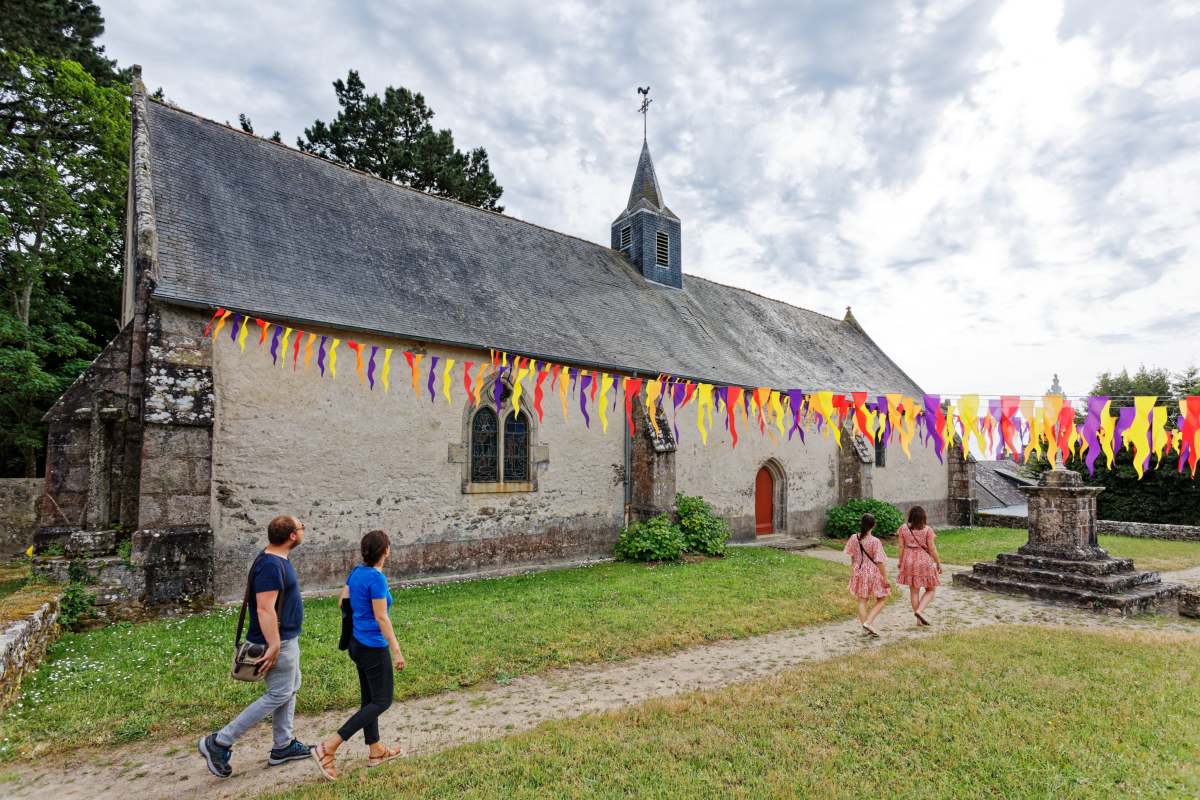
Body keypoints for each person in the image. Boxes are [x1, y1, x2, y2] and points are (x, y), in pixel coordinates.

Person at [199, 516, 313, 777]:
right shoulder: (271, 565)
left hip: (285, 639)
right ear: (292, 536)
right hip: (276, 642)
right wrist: (274, 645)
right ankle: (219, 742)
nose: (303, 529)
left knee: (289, 688)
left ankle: (283, 746)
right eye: (301, 526)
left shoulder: (275, 558)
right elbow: (264, 609)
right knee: (278, 694)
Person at [313, 530, 406, 780]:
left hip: (356, 644)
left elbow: (342, 601)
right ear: (386, 551)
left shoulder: (356, 572)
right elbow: (381, 617)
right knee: (382, 701)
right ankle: (328, 747)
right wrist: (396, 650)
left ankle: (376, 750)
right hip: (373, 648)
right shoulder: (376, 578)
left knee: (370, 701)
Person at [843, 513, 891, 636]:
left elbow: (852, 555)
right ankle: (868, 623)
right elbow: (879, 561)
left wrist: (855, 568)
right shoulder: (875, 541)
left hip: (858, 570)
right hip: (872, 571)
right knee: (882, 598)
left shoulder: (854, 538)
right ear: (873, 526)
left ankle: (865, 626)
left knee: (862, 600)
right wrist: (885, 578)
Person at [896, 505, 942, 626]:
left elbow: (901, 547)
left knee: (914, 592)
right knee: (931, 589)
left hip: (909, 559)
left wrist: (900, 562)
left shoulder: (903, 528)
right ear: (923, 517)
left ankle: (918, 620)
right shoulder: (927, 530)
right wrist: (938, 563)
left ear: (910, 516)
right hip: (924, 560)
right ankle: (919, 611)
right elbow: (932, 549)